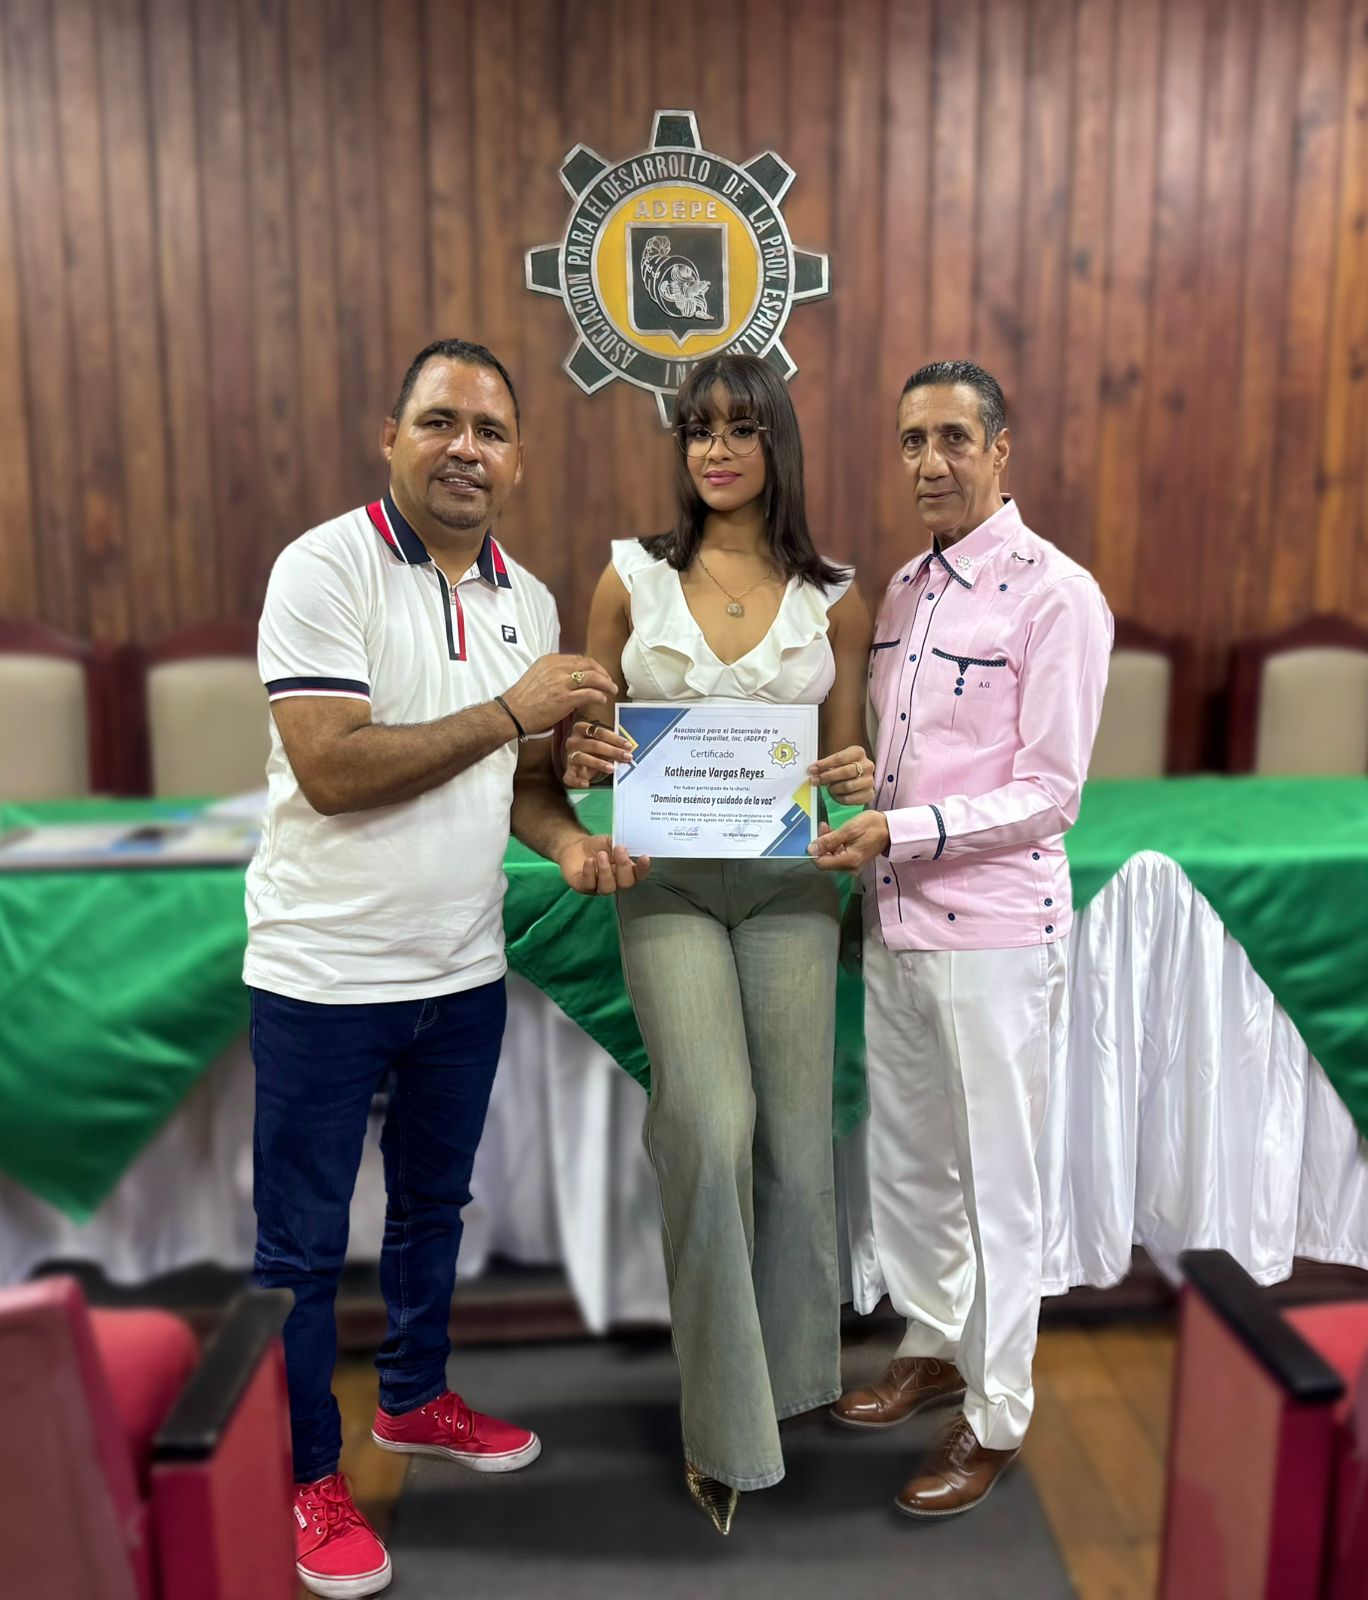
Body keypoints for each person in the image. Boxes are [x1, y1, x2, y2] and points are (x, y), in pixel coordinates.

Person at [247, 337, 648, 1599]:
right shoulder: (323, 567)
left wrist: (570, 840)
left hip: (462, 967)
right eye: (439, 422)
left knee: (434, 1209)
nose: (465, 446)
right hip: (322, 972)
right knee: (302, 1247)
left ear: (517, 461)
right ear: (392, 437)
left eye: (489, 429)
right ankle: (307, 1476)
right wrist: (514, 711)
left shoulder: (530, 600)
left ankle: (413, 1397)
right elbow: (334, 766)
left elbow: (515, 780)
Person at [562, 353, 874, 1533]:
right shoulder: (629, 578)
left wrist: (856, 778)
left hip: (792, 886)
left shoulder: (835, 597)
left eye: (742, 428)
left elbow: (847, 764)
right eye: (699, 430)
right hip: (669, 886)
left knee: (795, 1142)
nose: (718, 450)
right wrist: (588, 753)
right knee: (708, 1123)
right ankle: (725, 1432)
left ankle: (788, 1390)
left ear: (776, 441)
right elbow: (583, 744)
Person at [811, 359, 1112, 1518]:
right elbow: (907, 758)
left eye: (952, 438)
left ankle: (997, 1412)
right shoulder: (901, 589)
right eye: (911, 441)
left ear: (999, 450)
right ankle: (933, 1345)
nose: (929, 462)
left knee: (1000, 1180)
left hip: (994, 932)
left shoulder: (1056, 595)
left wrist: (902, 826)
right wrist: (862, 787)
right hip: (895, 918)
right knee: (910, 1162)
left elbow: (1049, 792)